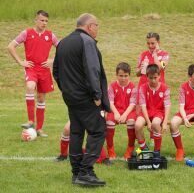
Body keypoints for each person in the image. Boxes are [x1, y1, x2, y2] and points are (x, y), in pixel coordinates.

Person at [53, 13, 109, 187]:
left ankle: (76, 173)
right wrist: (97, 95)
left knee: (76, 133)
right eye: (97, 26)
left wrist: (66, 90)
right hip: (86, 97)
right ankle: (86, 172)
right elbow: (93, 70)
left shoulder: (62, 42)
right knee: (98, 130)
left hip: (71, 97)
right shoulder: (87, 41)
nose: (97, 30)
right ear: (90, 26)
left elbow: (56, 70)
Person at [7, 10, 59, 137]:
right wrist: (20, 62)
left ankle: (39, 129)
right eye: (42, 20)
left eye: (46, 21)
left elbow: (63, 49)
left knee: (41, 98)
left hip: (44, 70)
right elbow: (10, 46)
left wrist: (52, 61)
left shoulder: (51, 35)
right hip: (31, 68)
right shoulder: (26, 33)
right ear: (36, 20)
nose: (44, 23)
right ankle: (31, 120)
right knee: (30, 86)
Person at [136, 32, 170, 145]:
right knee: (141, 116)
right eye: (148, 43)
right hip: (144, 89)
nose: (150, 46)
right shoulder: (143, 54)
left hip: (158, 89)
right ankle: (142, 145)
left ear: (158, 43)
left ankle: (153, 141)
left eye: (153, 43)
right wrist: (141, 68)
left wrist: (155, 54)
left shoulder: (165, 55)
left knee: (156, 116)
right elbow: (137, 73)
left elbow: (160, 68)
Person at [135, 64, 171, 156]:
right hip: (146, 111)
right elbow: (143, 106)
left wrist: (165, 122)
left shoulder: (165, 88)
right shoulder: (143, 87)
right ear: (147, 77)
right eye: (151, 78)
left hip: (159, 112)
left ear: (159, 76)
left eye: (155, 77)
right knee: (138, 125)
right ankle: (144, 149)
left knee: (155, 123)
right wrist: (148, 122)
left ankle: (157, 151)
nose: (153, 80)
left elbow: (167, 106)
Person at [106, 62, 137, 160]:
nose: (123, 78)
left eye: (125, 76)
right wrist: (116, 113)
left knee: (131, 122)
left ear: (129, 75)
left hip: (129, 111)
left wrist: (124, 115)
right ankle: (110, 149)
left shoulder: (133, 87)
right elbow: (110, 102)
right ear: (116, 75)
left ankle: (130, 148)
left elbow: (132, 104)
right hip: (115, 110)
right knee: (109, 122)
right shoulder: (111, 86)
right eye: (120, 76)